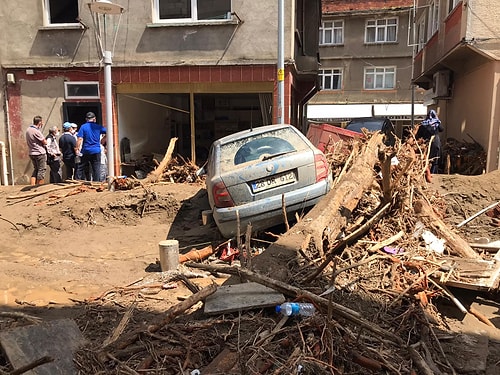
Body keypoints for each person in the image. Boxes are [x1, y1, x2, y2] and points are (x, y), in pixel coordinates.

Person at [75, 112, 106, 181]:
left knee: (80, 166)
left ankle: (77, 181)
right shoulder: (98, 127)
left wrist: (76, 148)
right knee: (96, 168)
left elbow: (79, 139)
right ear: (94, 119)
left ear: (86, 119)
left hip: (86, 150)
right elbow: (108, 131)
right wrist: (104, 139)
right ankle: (96, 182)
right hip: (96, 150)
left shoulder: (83, 127)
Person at [416, 109, 444, 182]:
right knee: (435, 158)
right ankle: (433, 172)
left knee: (427, 158)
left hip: (426, 143)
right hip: (436, 142)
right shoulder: (437, 123)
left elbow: (418, 135)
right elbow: (442, 129)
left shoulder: (423, 125)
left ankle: (427, 173)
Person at [25, 115, 47, 185]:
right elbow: (45, 142)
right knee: (42, 170)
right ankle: (39, 186)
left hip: (31, 152)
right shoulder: (36, 131)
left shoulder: (28, 130)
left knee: (36, 169)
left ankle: (32, 185)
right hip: (39, 153)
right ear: (39, 122)